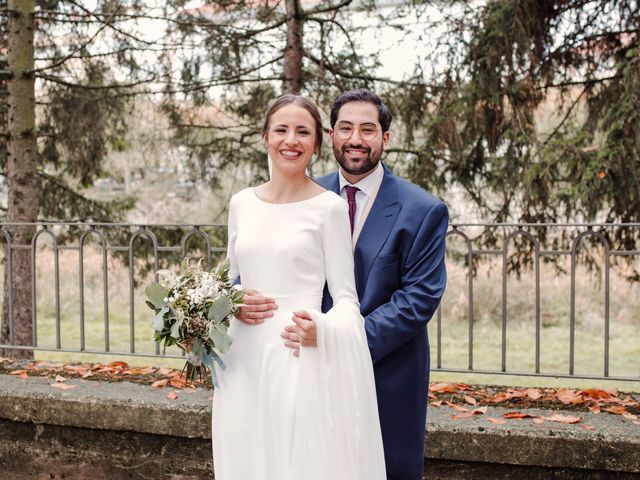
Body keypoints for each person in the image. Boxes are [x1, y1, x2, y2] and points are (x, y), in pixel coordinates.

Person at [243, 89, 449, 480]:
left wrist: (337, 340)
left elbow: (418, 299)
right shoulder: (299, 195)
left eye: (368, 129)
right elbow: (259, 265)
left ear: (385, 139)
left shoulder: (422, 210)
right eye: (345, 128)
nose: (356, 139)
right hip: (301, 367)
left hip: (385, 369)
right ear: (331, 136)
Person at [212, 94, 386, 480]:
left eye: (303, 132)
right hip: (241, 358)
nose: (291, 140)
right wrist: (230, 301)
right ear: (265, 137)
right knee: (245, 457)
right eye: (282, 130)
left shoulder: (329, 208)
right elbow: (230, 277)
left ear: (317, 144)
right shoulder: (241, 203)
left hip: (295, 354)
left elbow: (345, 298)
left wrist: (323, 330)